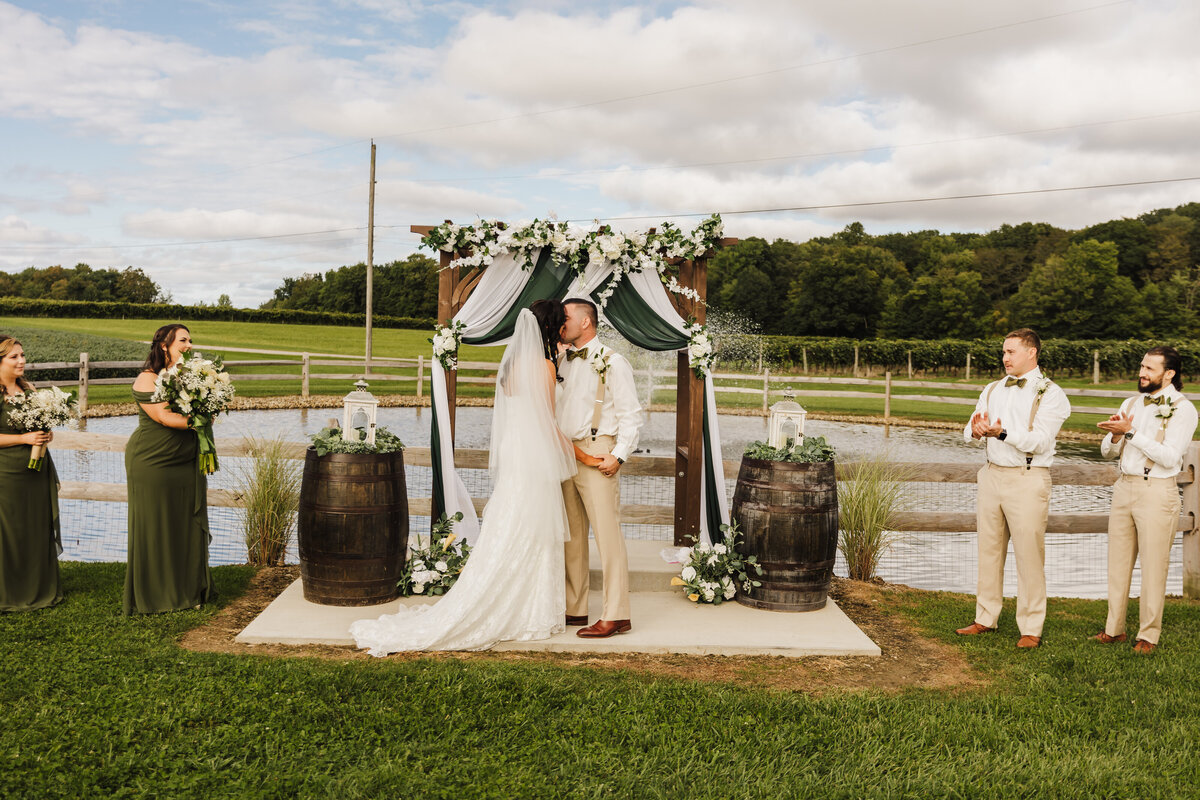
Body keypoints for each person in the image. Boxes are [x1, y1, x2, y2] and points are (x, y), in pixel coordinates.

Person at [350, 302, 577, 654]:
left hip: (517, 459)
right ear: (550, 329)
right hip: (535, 461)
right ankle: (531, 612)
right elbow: (549, 425)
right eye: (561, 324)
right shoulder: (545, 367)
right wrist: (584, 455)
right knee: (533, 530)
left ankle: (507, 599)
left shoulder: (511, 368)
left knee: (511, 526)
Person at [957, 328, 1071, 649]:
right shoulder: (993, 388)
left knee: (1028, 555)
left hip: (1028, 478)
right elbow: (969, 426)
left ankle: (1031, 627)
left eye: (1011, 352)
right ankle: (985, 618)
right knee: (988, 551)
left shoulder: (1051, 394)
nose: (1005, 358)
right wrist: (977, 430)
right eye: (1004, 352)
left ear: (1032, 352)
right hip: (991, 475)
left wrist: (1003, 432)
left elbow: (1040, 440)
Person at [1093, 346, 1198, 654]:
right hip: (1124, 487)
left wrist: (1131, 432)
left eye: (1150, 369)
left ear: (1169, 374)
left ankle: (1148, 635)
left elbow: (1169, 457)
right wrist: (1114, 437)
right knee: (1118, 562)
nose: (1142, 372)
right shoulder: (1131, 402)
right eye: (1142, 366)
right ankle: (1114, 630)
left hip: (1157, 491)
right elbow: (1107, 452)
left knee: (1154, 565)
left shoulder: (1183, 409)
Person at [557, 297, 644, 638]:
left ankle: (617, 614)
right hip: (565, 455)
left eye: (566, 317)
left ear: (585, 322)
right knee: (572, 537)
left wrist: (618, 455)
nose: (561, 322)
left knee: (608, 538)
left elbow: (631, 415)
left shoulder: (613, 361)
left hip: (597, 452)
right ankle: (575, 608)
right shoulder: (562, 360)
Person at [123, 324, 214, 615]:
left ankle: (186, 590)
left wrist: (212, 402)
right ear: (164, 345)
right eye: (183, 340)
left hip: (185, 461)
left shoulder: (192, 377)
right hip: (154, 461)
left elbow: (200, 405)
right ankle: (156, 595)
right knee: (156, 526)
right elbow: (163, 416)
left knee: (184, 523)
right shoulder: (147, 378)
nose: (189, 345)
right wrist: (200, 420)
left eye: (191, 340)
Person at [0, 336, 62, 611]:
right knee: (11, 531)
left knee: (35, 527)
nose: (22, 360)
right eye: (14, 357)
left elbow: (40, 427)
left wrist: (45, 434)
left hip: (36, 471)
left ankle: (37, 585)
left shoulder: (30, 389)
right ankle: (10, 591)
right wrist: (24, 439)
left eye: (22, 355)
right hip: (6, 472)